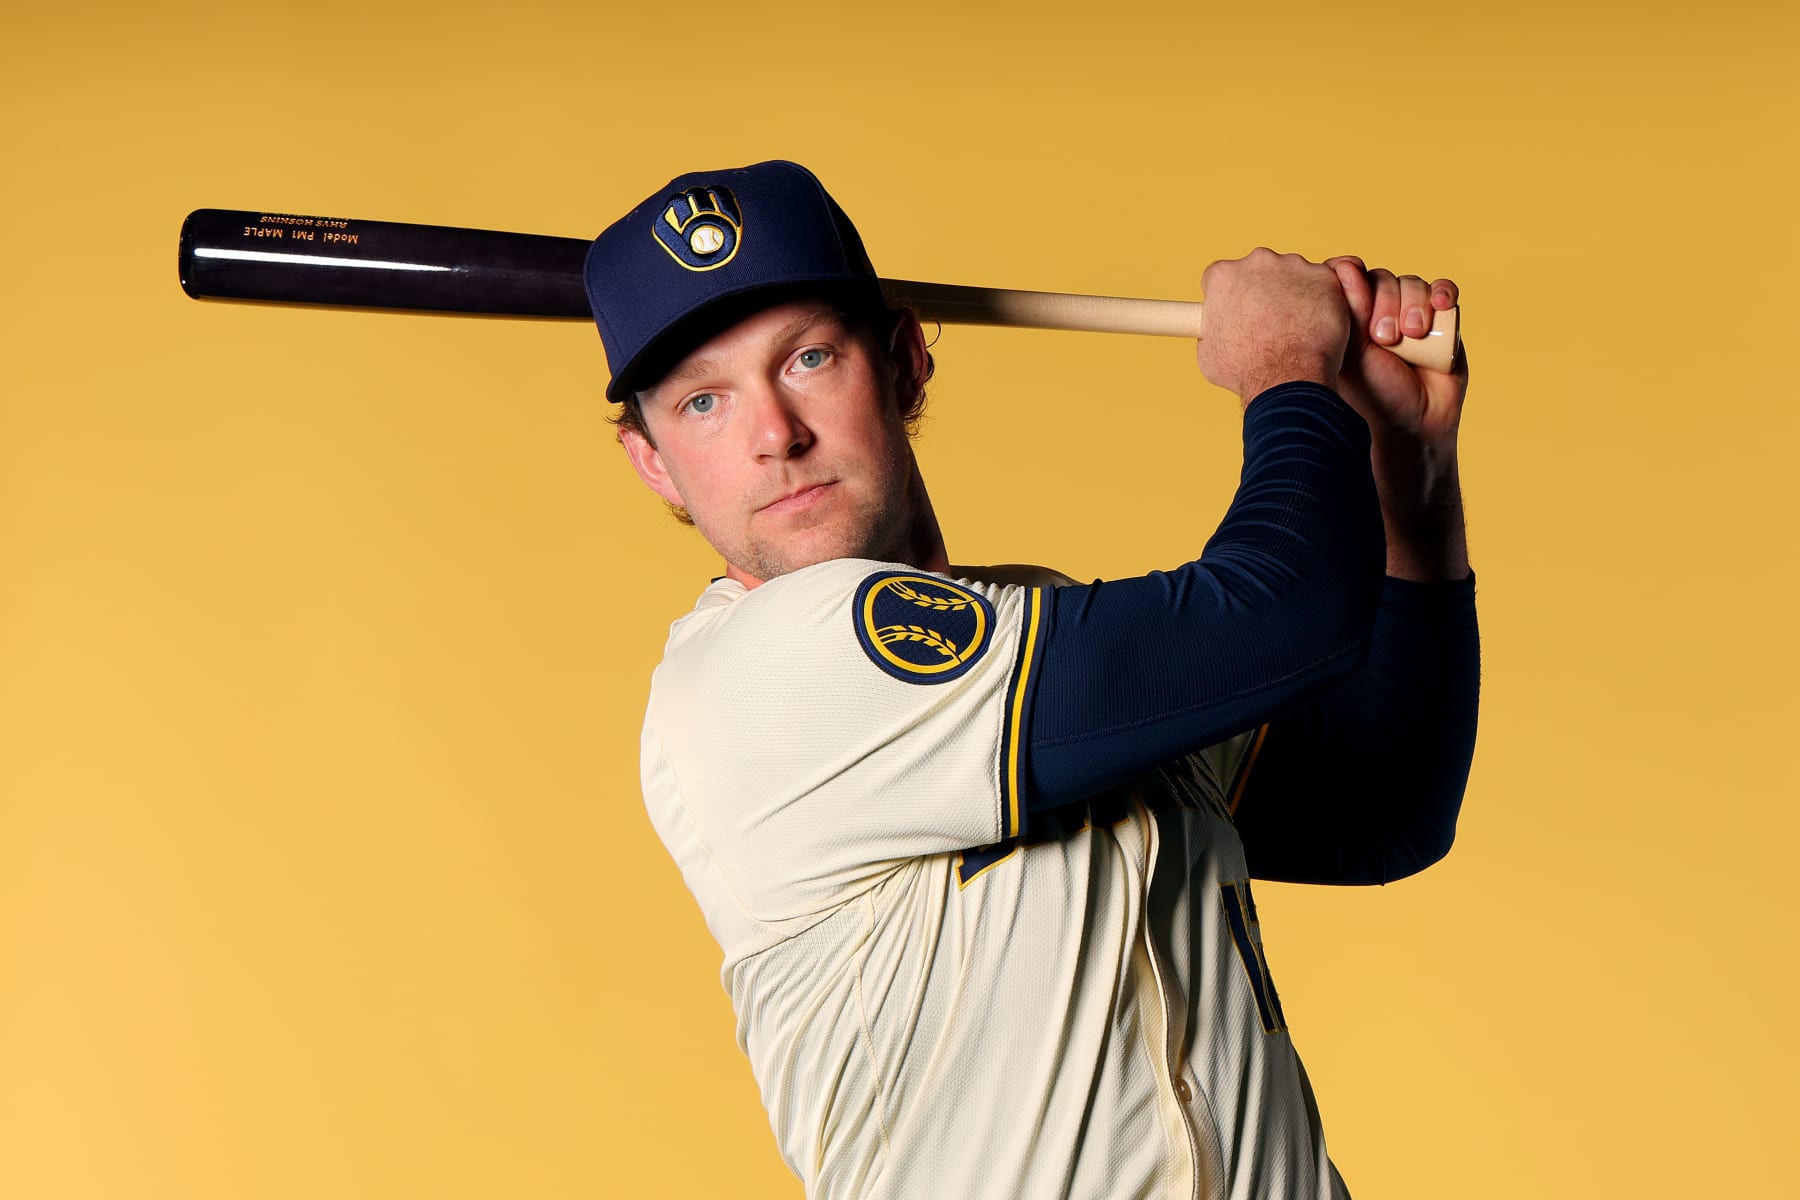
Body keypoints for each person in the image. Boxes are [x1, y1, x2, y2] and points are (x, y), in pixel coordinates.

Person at [584, 160, 1478, 1199]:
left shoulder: (1033, 640)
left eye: (811, 357)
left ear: (907, 363)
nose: (775, 435)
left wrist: (1403, 464)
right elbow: (1284, 612)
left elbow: (1379, 806)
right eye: (703, 401)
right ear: (653, 463)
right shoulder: (763, 674)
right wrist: (1284, 367)